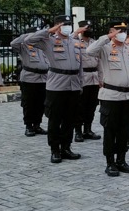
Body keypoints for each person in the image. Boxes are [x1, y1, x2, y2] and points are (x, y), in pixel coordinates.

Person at [26, 15, 85, 163]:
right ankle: (55, 149)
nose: (68, 26)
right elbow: (28, 40)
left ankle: (66, 147)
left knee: (69, 119)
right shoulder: (48, 40)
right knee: (55, 119)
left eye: (69, 24)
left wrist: (81, 83)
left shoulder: (75, 41)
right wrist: (50, 30)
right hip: (57, 85)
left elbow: (80, 65)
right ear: (57, 26)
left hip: (73, 84)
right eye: (64, 24)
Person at [85, 21, 129, 177]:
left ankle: (121, 160)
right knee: (110, 130)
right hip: (111, 96)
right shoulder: (104, 48)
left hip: (128, 96)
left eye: (124, 30)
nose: (122, 33)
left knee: (124, 130)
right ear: (111, 32)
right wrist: (107, 37)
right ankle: (110, 162)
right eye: (118, 31)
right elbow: (89, 51)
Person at [10, 26, 48, 137]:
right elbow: (13, 43)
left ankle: (37, 125)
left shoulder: (42, 45)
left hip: (43, 78)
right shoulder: (24, 46)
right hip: (29, 78)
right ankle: (29, 126)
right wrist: (27, 36)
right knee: (29, 103)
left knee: (41, 103)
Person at [75, 20, 101, 143]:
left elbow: (100, 61)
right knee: (80, 106)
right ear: (81, 29)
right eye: (87, 28)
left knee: (92, 106)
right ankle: (78, 131)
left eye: (90, 27)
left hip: (94, 77)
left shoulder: (95, 43)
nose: (89, 29)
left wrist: (101, 78)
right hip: (83, 77)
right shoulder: (75, 42)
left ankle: (88, 129)